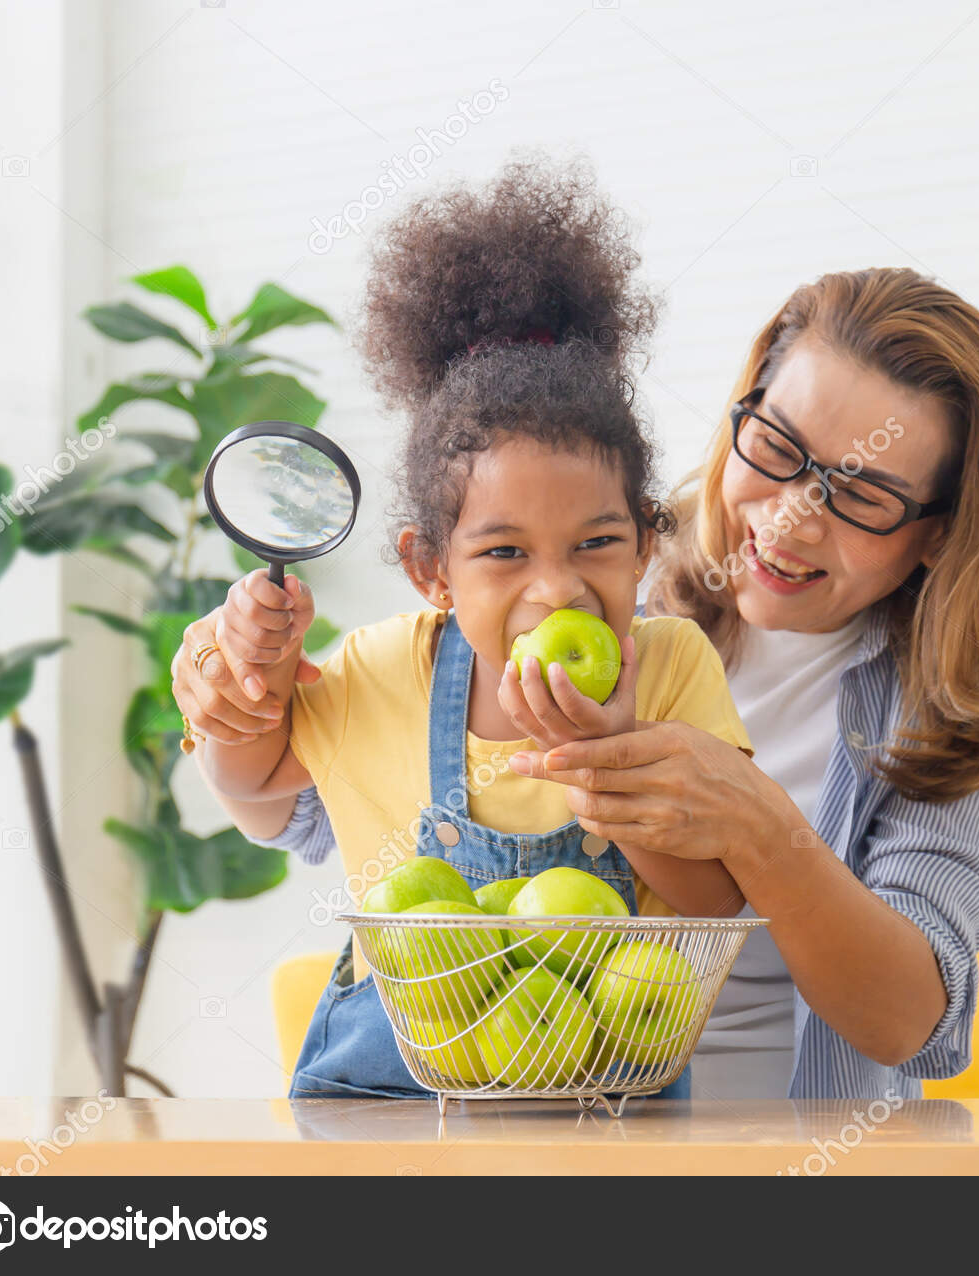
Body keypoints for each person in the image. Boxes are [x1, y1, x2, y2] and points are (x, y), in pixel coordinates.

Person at [179, 253, 979, 1104]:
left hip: (766, 1145)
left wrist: (759, 829)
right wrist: (229, 697)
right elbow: (301, 811)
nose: (795, 518)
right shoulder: (583, 593)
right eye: (777, 446)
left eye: (865, 494)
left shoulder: (938, 718)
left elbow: (907, 1025)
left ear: (937, 531)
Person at [176, 157, 750, 1098]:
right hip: (385, 1104)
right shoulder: (380, 669)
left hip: (603, 1107)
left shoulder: (674, 667)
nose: (558, 591)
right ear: (428, 570)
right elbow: (262, 799)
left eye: (597, 542)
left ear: (648, 544)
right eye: (504, 553)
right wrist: (245, 688)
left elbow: (714, 899)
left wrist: (612, 767)